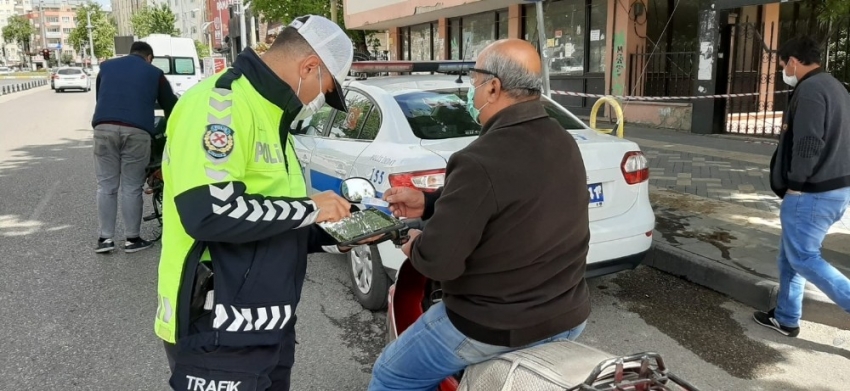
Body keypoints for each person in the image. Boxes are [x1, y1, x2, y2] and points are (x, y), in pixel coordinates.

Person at [368, 38, 591, 391]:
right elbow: (505, 200)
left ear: (493, 87)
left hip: (492, 323)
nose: (473, 94)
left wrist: (413, 244)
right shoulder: (562, 140)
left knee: (392, 374)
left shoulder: (478, 159)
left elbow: (439, 262)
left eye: (474, 83)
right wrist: (427, 202)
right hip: (567, 313)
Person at [154, 15, 363, 390]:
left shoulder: (273, 115)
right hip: (217, 319)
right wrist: (312, 208)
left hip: (269, 319)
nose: (319, 100)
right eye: (326, 90)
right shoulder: (221, 104)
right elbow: (210, 212)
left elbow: (273, 219)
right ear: (309, 67)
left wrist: (337, 232)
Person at [755, 36, 850, 337]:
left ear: (793, 61)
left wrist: (795, 184)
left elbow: (808, 142)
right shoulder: (836, 87)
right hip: (835, 188)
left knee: (804, 258)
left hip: (811, 192)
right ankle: (785, 317)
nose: (784, 70)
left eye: (783, 64)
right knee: (791, 256)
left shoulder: (809, 90)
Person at [91, 41, 178, 254]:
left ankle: (105, 239)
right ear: (149, 57)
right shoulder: (154, 72)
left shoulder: (106, 67)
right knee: (131, 186)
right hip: (137, 131)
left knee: (106, 185)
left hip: (104, 127)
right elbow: (171, 107)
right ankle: (132, 239)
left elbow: (101, 97)